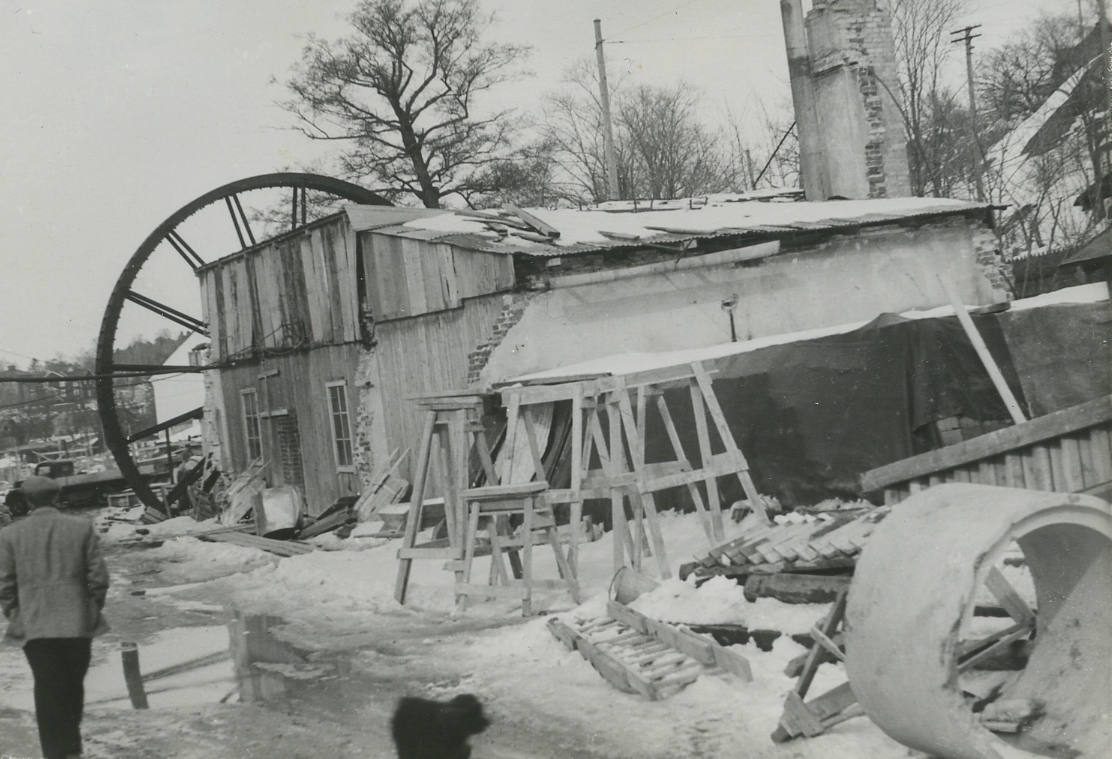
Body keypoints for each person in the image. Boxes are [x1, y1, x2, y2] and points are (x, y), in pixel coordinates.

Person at [0, 475, 110, 759]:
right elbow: (98, 578)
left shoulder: (10, 535)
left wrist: (15, 613)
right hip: (77, 622)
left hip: (34, 623)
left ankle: (58, 751)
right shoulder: (81, 527)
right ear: (57, 496)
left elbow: (5, 584)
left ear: (27, 501)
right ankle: (70, 746)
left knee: (48, 686)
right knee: (73, 683)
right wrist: (90, 608)